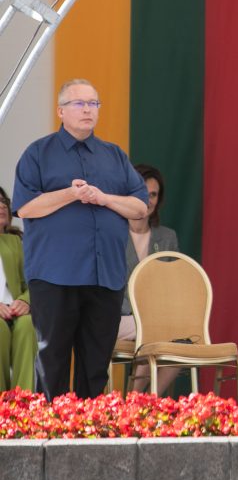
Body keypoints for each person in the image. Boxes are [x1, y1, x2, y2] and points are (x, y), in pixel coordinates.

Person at [12, 79, 148, 399]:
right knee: (53, 362)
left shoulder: (114, 155)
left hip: (105, 276)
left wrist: (104, 199)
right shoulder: (38, 153)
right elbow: (26, 207)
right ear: (61, 111)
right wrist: (70, 194)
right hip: (55, 274)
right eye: (79, 103)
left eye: (94, 104)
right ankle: (53, 439)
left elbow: (140, 207)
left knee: (95, 365)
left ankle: (91, 439)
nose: (88, 109)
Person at [116, 164, 180, 395]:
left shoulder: (167, 237)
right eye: (142, 192)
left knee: (182, 342)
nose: (148, 199)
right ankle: (135, 400)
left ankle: (145, 402)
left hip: (153, 321)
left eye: (153, 194)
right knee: (153, 330)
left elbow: (171, 287)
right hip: (117, 318)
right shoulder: (113, 234)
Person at [0, 230, 37, 391]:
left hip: (15, 309)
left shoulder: (15, 242)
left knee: (28, 324)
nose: (1, 206)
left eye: (5, 203)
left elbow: (32, 281)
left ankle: (23, 402)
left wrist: (26, 300)